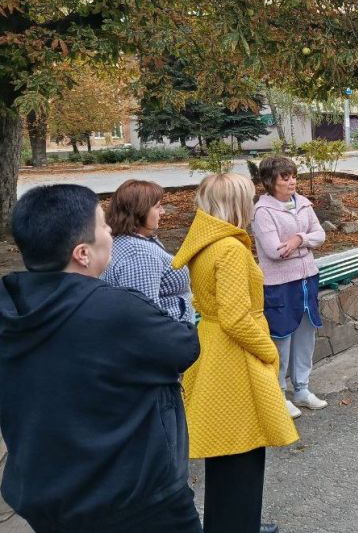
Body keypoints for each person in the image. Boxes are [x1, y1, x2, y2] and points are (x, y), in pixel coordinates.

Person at [0, 185, 201, 533]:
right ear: (82, 253)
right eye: (103, 226)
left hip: (44, 495)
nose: (111, 231)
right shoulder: (116, 310)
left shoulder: (10, 306)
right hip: (131, 498)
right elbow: (184, 347)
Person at [172, 173, 298, 533]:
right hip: (233, 355)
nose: (253, 204)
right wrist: (268, 351)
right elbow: (235, 316)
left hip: (214, 349)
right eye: (248, 198)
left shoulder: (207, 242)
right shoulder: (228, 248)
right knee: (242, 447)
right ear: (235, 203)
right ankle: (239, 525)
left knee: (228, 448)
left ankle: (230, 522)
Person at [252, 156, 327, 419]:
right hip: (279, 284)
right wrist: (304, 247)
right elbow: (274, 251)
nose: (292, 181)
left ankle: (302, 389)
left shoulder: (304, 203)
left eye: (293, 175)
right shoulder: (262, 211)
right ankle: (278, 393)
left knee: (306, 333)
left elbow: (320, 235)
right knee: (281, 338)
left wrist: (298, 239)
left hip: (307, 279)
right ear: (270, 181)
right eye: (285, 177)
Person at [102, 179, 195, 323]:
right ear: (140, 211)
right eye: (158, 207)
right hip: (169, 339)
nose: (163, 212)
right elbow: (145, 318)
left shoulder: (127, 239)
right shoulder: (138, 254)